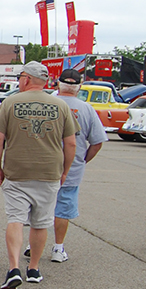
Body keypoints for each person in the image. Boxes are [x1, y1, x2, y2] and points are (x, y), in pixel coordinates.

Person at [0, 61, 77, 289]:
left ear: (27, 79)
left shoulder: (9, 102)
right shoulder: (61, 106)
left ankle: (14, 267)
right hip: (49, 172)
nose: (19, 81)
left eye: (20, 77)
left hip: (17, 171)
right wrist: (65, 171)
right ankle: (34, 269)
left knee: (16, 219)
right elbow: (70, 143)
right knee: (41, 222)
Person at [43, 68, 107, 262]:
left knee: (40, 206)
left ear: (58, 84)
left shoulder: (47, 104)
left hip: (43, 166)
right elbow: (97, 141)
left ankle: (33, 244)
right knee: (63, 209)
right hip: (71, 170)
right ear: (79, 87)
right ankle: (58, 248)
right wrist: (82, 159)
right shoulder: (86, 109)